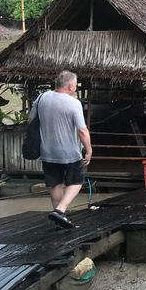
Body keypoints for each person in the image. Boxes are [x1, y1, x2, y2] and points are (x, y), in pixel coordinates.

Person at [29, 70, 92, 229]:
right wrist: (89, 150)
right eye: (76, 85)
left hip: (47, 152)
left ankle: (59, 222)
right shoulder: (73, 103)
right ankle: (60, 210)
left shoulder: (41, 98)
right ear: (71, 86)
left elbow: (30, 121)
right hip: (69, 153)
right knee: (77, 181)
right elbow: (82, 131)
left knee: (55, 185)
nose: (76, 88)